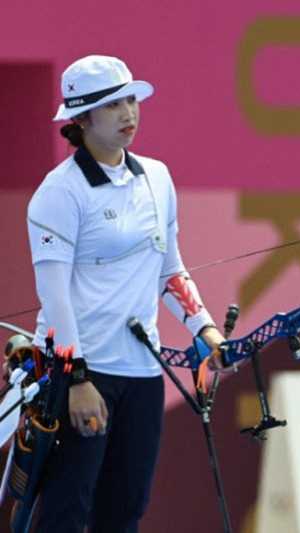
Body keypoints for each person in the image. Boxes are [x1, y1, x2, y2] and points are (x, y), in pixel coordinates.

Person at [25, 55, 226, 532]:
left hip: (140, 374)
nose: (128, 113)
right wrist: (74, 380)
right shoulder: (60, 192)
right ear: (82, 119)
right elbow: (53, 298)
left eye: (131, 99)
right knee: (64, 514)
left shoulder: (156, 177)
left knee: (124, 513)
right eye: (112, 104)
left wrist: (207, 330)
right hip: (76, 375)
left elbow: (168, 269)